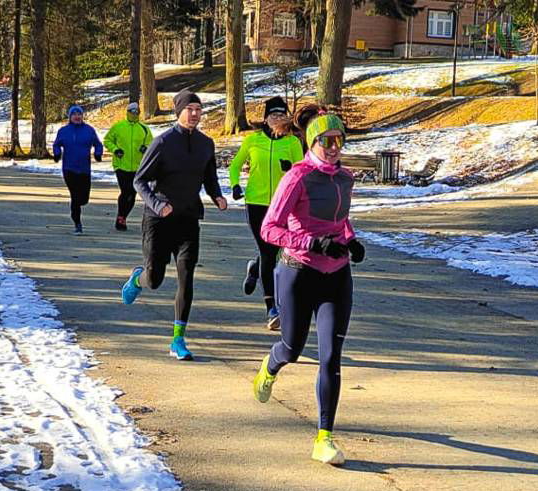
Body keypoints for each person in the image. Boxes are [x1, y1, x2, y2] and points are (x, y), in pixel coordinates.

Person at [251, 112, 365, 466]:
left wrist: (352, 240)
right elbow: (270, 229)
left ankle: (324, 437)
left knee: (331, 357)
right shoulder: (296, 177)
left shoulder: (345, 178)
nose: (333, 148)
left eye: (339, 140)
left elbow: (340, 219)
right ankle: (270, 366)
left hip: (337, 275)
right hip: (298, 271)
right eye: (325, 141)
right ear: (311, 142)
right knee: (292, 347)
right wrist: (313, 243)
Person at [121, 89, 228, 361]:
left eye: (198, 109)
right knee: (154, 279)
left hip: (189, 218)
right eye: (189, 108)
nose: (194, 113)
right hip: (159, 220)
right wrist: (158, 205)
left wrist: (216, 195)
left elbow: (209, 176)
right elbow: (139, 181)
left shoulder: (206, 143)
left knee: (186, 276)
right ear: (178, 111)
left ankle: (178, 339)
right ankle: (137, 277)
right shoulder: (163, 143)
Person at [229, 96, 303, 331]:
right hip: (257, 202)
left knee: (274, 250)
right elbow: (235, 165)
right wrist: (235, 185)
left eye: (282, 115)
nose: (277, 119)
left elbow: (302, 171)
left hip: (283, 204)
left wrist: (289, 170)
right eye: (273, 115)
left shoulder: (292, 142)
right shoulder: (253, 140)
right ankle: (271, 308)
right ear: (265, 118)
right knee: (268, 252)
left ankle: (255, 267)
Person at [52, 105, 103, 234]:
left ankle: (77, 208)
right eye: (74, 114)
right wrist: (57, 153)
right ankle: (77, 222)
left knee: (83, 198)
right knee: (75, 196)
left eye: (79, 114)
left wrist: (98, 153)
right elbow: (57, 144)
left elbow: (98, 144)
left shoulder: (89, 130)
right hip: (69, 168)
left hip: (84, 169)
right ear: (70, 117)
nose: (77, 116)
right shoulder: (64, 131)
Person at [104, 101, 153, 231]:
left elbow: (151, 144)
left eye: (137, 111)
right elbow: (107, 140)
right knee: (126, 191)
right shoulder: (119, 126)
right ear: (127, 112)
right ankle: (121, 217)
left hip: (138, 166)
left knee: (132, 193)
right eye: (132, 111)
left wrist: (145, 148)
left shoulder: (144, 129)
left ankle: (123, 216)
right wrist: (115, 150)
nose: (134, 113)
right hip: (121, 165)